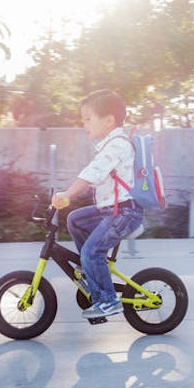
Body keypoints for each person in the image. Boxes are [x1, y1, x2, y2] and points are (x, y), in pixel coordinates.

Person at [52, 90, 144, 318]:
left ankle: (108, 300)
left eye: (88, 119)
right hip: (112, 211)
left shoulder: (118, 145)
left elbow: (93, 173)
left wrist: (68, 194)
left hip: (125, 213)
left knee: (92, 251)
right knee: (76, 219)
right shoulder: (108, 145)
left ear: (109, 119)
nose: (84, 125)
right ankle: (91, 268)